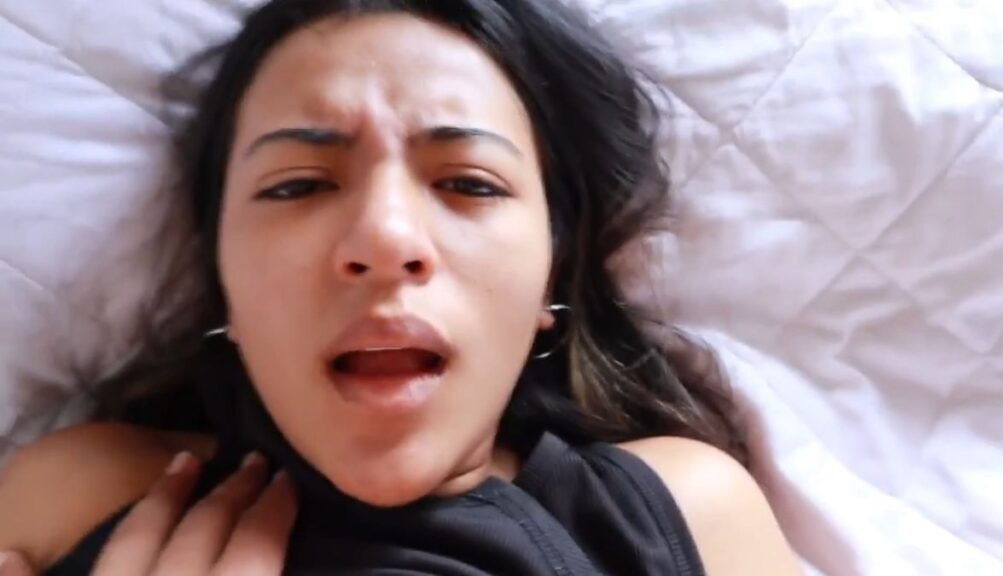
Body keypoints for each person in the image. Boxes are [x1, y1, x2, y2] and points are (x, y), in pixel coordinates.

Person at [0, 0, 802, 574]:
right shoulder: (78, 493)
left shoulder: (686, 515)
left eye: (470, 184)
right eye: (297, 186)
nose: (385, 239)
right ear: (224, 284)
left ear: (549, 278)